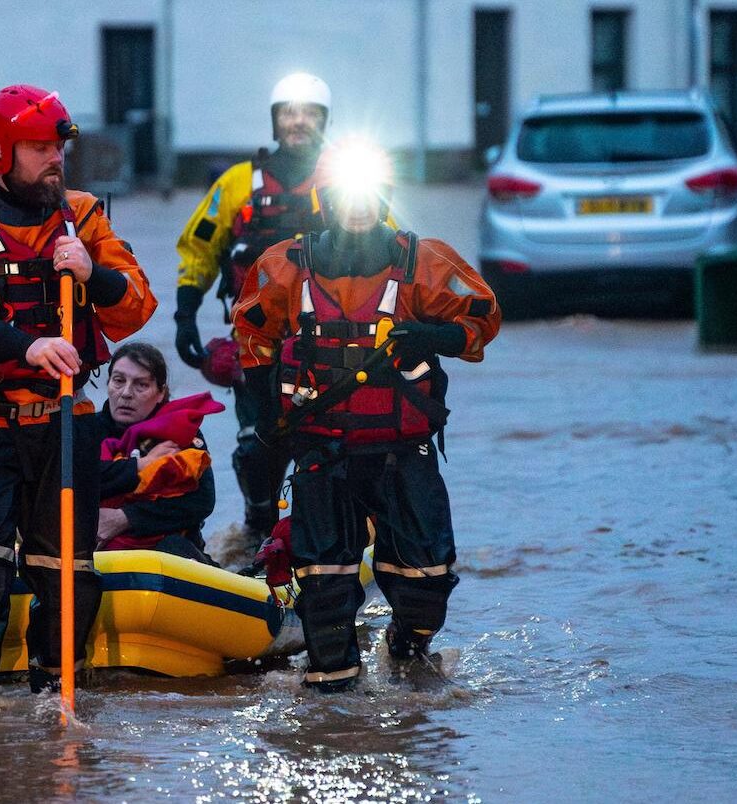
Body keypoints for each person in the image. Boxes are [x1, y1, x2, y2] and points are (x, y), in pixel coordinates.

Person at [0, 84, 156, 698]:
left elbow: (138, 308)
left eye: (57, 147)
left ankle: (54, 698)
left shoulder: (85, 217)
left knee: (68, 573)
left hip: (61, 420)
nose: (54, 158)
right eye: (38, 147)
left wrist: (93, 276)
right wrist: (29, 346)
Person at [232, 137, 501, 691]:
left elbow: (484, 317)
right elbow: (251, 333)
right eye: (343, 194)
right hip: (321, 451)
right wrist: (263, 416)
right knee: (324, 589)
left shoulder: (422, 261)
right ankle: (332, 708)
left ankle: (407, 650)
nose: (355, 206)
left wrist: (432, 335)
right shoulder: (286, 266)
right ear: (324, 200)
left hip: (401, 450)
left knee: (426, 581)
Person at [171, 72, 334, 565]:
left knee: (327, 446)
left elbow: (391, 248)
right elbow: (199, 247)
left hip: (329, 343)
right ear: (274, 120)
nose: (298, 121)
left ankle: (329, 530)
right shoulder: (238, 184)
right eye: (288, 111)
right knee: (256, 448)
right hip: (257, 342)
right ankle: (259, 527)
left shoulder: (347, 180)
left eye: (309, 112)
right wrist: (185, 314)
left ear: (324, 121)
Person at [96, 343, 218, 565]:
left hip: (170, 550)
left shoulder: (181, 433)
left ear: (160, 393)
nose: (126, 393)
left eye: (141, 385)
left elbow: (201, 501)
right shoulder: (85, 430)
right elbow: (76, 481)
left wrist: (126, 518)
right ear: (108, 383)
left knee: (172, 548)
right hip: (98, 551)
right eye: (118, 380)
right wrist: (141, 466)